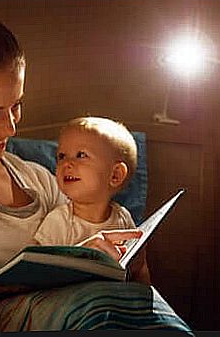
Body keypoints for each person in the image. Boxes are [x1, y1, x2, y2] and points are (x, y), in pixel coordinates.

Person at [0, 14, 192, 333]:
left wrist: (122, 256)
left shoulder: (39, 178)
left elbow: (80, 227)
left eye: (16, 106)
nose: (11, 126)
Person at [34, 116, 151, 284]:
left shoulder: (123, 219)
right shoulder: (59, 221)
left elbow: (140, 271)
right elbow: (37, 273)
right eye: (61, 156)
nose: (66, 163)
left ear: (115, 175)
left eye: (81, 155)